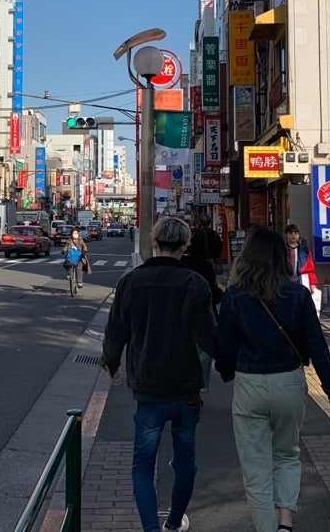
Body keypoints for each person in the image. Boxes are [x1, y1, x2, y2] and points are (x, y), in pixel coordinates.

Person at [215, 228, 330, 532]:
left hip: (250, 383)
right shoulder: (297, 294)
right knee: (287, 454)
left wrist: (225, 371)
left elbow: (225, 345)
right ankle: (285, 523)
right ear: (281, 257)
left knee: (255, 464)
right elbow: (316, 344)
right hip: (289, 381)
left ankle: (265, 527)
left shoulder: (234, 295)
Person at [102, 217, 217, 532]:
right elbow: (210, 338)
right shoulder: (195, 283)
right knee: (185, 463)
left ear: (154, 242)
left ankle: (151, 528)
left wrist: (111, 364)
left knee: (142, 464)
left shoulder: (130, 282)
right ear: (184, 246)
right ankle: (174, 521)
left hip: (148, 387)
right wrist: (230, 362)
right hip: (186, 387)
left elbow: (115, 332)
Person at [180, 229, 224, 393]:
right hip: (205, 313)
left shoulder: (181, 262)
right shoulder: (205, 264)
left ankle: (186, 383)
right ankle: (199, 385)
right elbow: (212, 293)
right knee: (204, 348)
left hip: (181, 313)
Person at [284, 223, 319, 315]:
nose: (293, 235)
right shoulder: (282, 249)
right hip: (285, 281)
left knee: (301, 306)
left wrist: (313, 283)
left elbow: (310, 267)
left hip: (301, 280)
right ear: (286, 234)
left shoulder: (304, 250)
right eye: (290, 233)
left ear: (298, 235)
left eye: (295, 233)